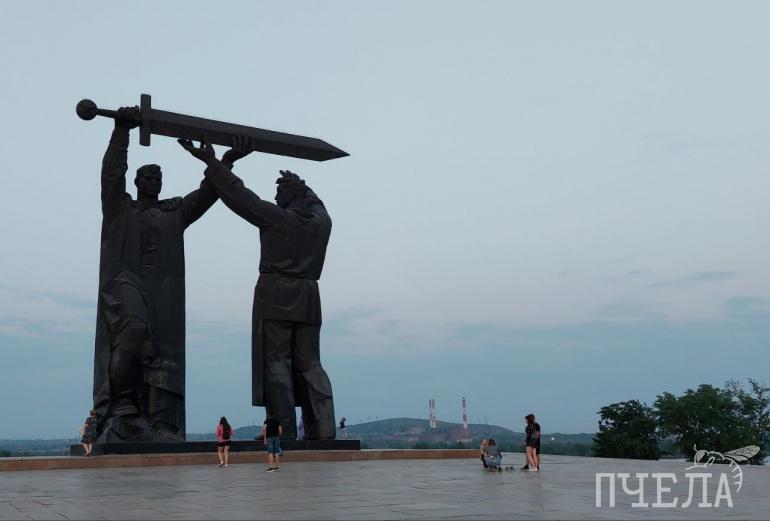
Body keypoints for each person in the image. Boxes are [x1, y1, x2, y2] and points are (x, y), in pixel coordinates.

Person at [92, 108, 245, 442]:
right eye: (148, 177)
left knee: (163, 353)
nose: (154, 182)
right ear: (137, 182)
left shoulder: (173, 212)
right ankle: (122, 407)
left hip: (162, 291)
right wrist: (122, 133)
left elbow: (207, 194)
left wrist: (225, 162)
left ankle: (157, 421)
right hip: (125, 282)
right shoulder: (120, 208)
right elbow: (111, 175)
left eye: (158, 178)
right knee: (132, 329)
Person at [179, 137, 336, 440]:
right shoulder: (321, 222)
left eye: (281, 191)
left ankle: (281, 430)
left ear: (293, 195)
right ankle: (323, 429)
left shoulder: (278, 219)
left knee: (276, 363)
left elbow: (240, 197)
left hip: (276, 293)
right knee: (310, 363)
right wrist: (302, 187)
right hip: (308, 296)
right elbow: (318, 204)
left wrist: (214, 162)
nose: (276, 196)